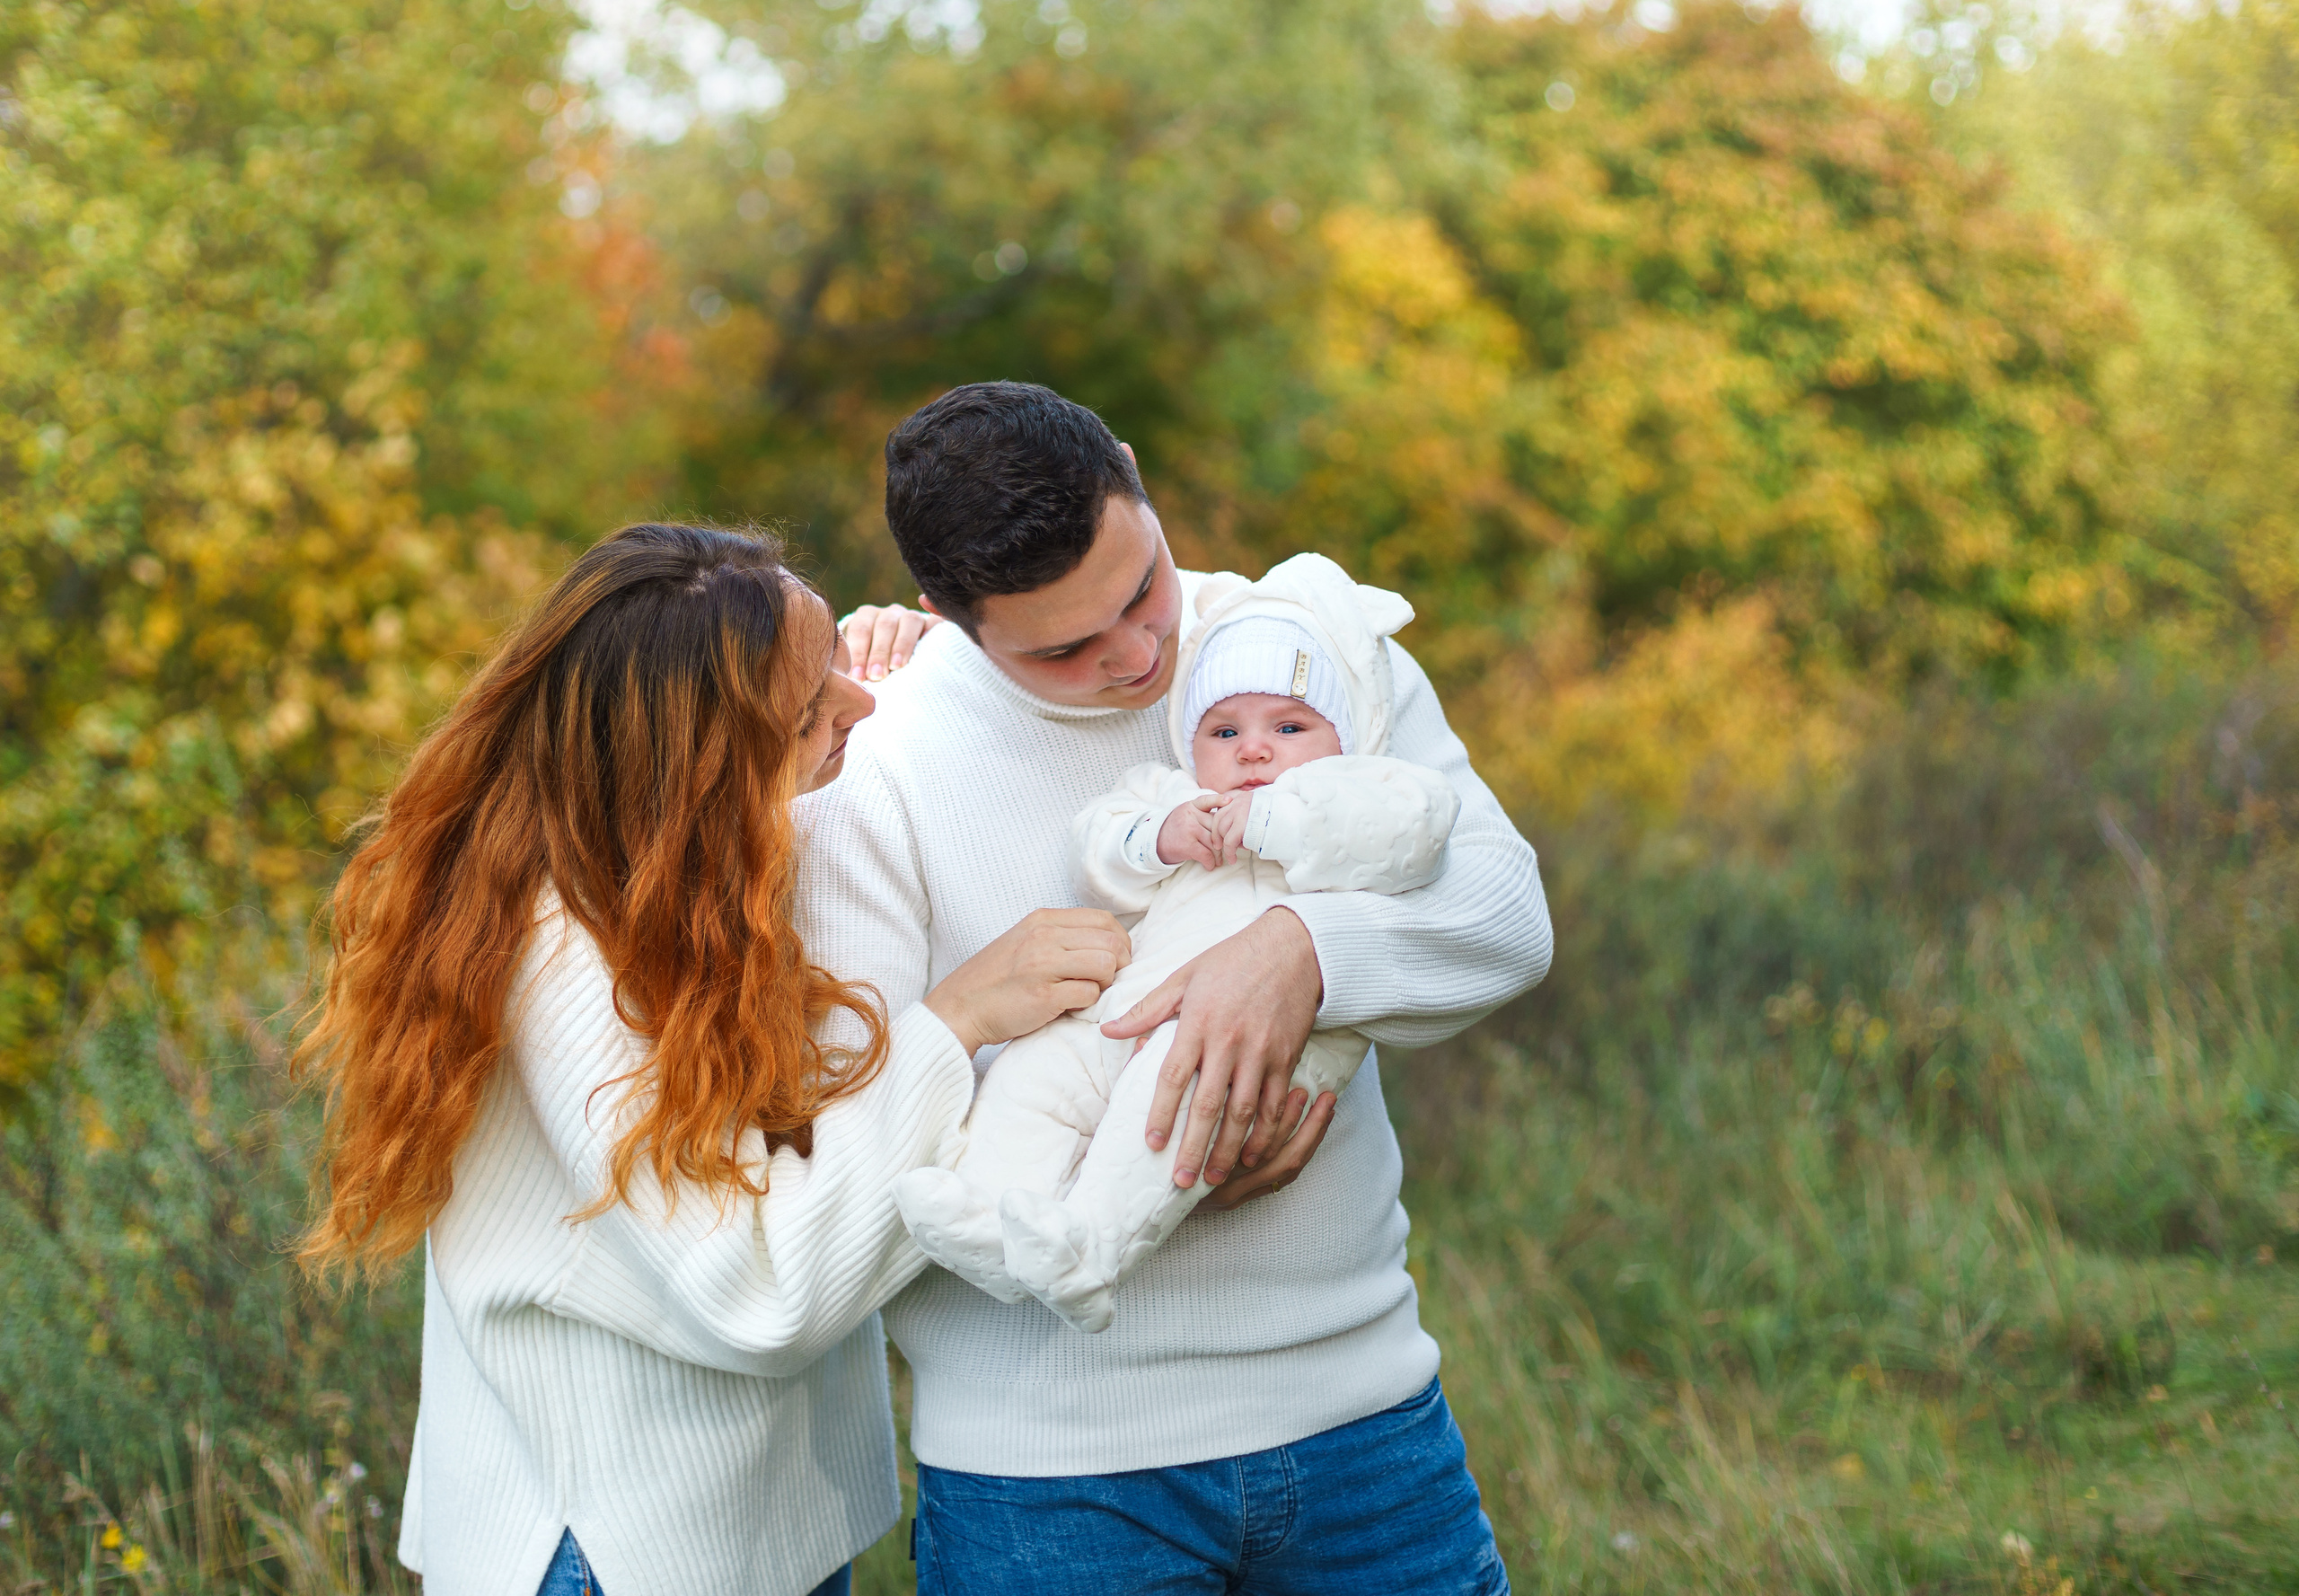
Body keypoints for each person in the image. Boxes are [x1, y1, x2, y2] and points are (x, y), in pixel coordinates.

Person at [292, 523, 1143, 1596]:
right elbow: (761, 1293)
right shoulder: (565, 958)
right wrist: (959, 1017)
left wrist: (902, 673)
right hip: (609, 1551)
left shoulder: (685, 887)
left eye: (833, 659)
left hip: (745, 1535)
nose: (859, 707)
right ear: (697, 770)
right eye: (805, 712)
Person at [802, 382, 1553, 1592]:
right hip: (1049, 1484)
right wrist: (1156, 1150)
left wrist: (1299, 953)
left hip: (1363, 1422)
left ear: (1139, 481)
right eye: (1066, 648)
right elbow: (853, 1123)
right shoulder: (872, 759)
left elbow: (1507, 916)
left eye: (1144, 587)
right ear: (946, 615)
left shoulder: (1303, 650)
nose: (1142, 655)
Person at [893, 552, 1462, 1335]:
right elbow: (1095, 847)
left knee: (1164, 1111)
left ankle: (1092, 1247)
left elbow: (1411, 833)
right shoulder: (1179, 795)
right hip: (1125, 1008)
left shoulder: (1360, 787)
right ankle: (988, 1213)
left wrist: (1278, 824)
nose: (1254, 750)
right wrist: (1159, 838)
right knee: (1037, 1075)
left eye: (1289, 726)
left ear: (1344, 735)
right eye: (1224, 730)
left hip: (1248, 1041)